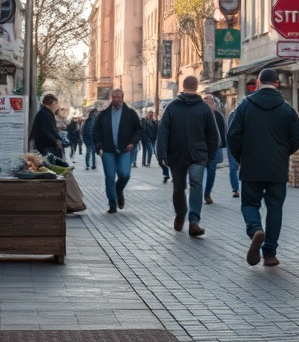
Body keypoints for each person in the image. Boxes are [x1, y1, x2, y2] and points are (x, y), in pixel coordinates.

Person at [227, 67, 299, 268]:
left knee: (249, 203)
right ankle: (270, 254)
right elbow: (298, 138)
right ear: (277, 84)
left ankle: (255, 230)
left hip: (251, 166)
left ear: (259, 82)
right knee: (275, 207)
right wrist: (282, 154)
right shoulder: (287, 109)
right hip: (276, 168)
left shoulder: (245, 106)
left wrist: (241, 157)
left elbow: (232, 135)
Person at [157, 76, 219, 237]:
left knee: (179, 187)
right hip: (198, 154)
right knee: (196, 185)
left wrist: (161, 153)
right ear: (197, 86)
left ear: (182, 86)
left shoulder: (172, 107)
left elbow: (163, 131)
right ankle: (192, 220)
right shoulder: (203, 108)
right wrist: (211, 156)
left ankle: (185, 216)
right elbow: (213, 135)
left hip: (178, 154)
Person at [92, 88, 142, 214]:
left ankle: (118, 189)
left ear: (122, 97)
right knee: (109, 176)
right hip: (107, 150)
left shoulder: (130, 113)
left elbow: (139, 130)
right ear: (111, 98)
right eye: (114, 97)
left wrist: (133, 142)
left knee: (125, 174)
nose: (116, 100)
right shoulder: (103, 114)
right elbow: (96, 131)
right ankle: (112, 202)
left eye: (119, 97)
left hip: (124, 149)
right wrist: (98, 146)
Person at [202, 94, 227, 204]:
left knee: (211, 170)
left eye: (210, 100)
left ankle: (207, 193)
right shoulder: (199, 113)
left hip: (214, 146)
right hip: (201, 147)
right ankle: (200, 192)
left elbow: (222, 130)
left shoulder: (218, 115)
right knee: (199, 170)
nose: (208, 102)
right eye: (205, 100)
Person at [30, 93, 64, 157]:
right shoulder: (45, 114)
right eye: (55, 105)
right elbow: (44, 131)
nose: (56, 107)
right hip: (46, 147)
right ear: (51, 104)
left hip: (45, 146)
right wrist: (56, 141)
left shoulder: (44, 113)